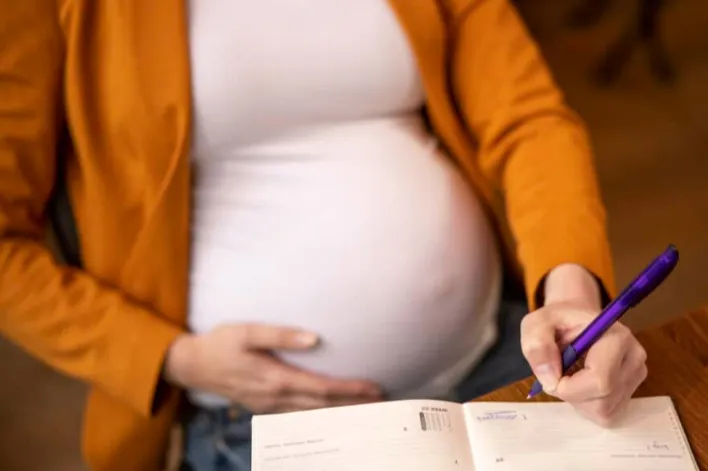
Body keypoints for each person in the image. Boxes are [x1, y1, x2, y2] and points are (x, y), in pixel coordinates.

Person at [0, 1, 648, 470]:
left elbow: (529, 118)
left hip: (501, 360)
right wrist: (168, 355)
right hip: (263, 424)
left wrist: (569, 287)